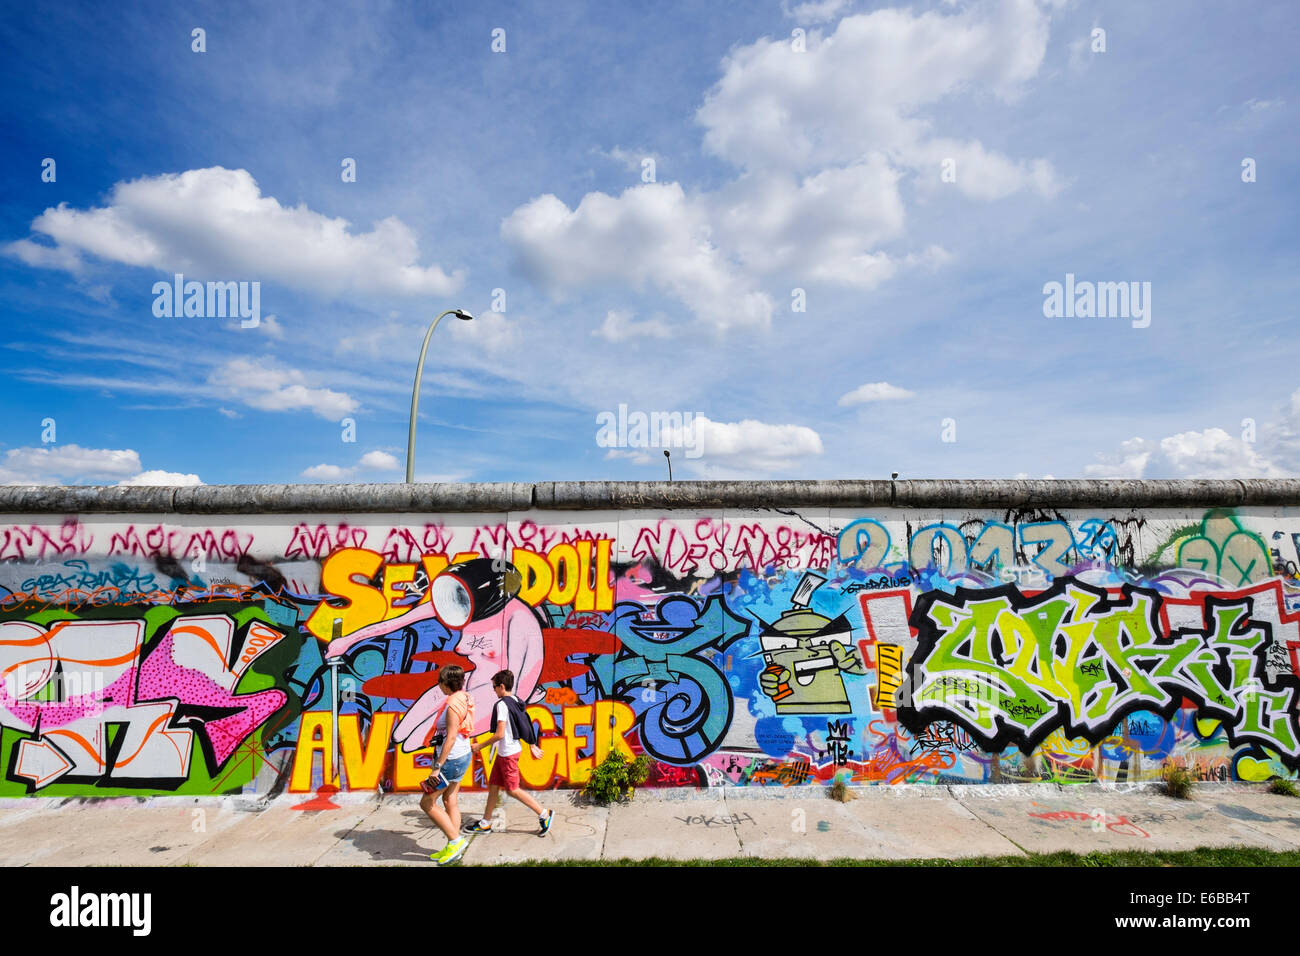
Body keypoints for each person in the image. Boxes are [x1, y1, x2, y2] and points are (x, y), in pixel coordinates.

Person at [466, 669, 554, 836]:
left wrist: (480, 746)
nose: (494, 691)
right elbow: (526, 722)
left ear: (501, 686)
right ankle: (485, 822)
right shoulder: (516, 700)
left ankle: (545, 814)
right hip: (506, 752)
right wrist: (532, 744)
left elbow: (499, 734)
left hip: (508, 754)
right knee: (493, 786)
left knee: (512, 789)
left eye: (494, 687)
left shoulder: (502, 705)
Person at [419, 664, 475, 865]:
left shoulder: (452, 704)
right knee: (450, 799)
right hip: (462, 754)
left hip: (450, 759)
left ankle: (456, 841)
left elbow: (451, 737)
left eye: (440, 682)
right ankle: (453, 847)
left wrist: (437, 766)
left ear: (446, 683)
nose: (438, 685)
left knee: (427, 802)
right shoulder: (465, 697)